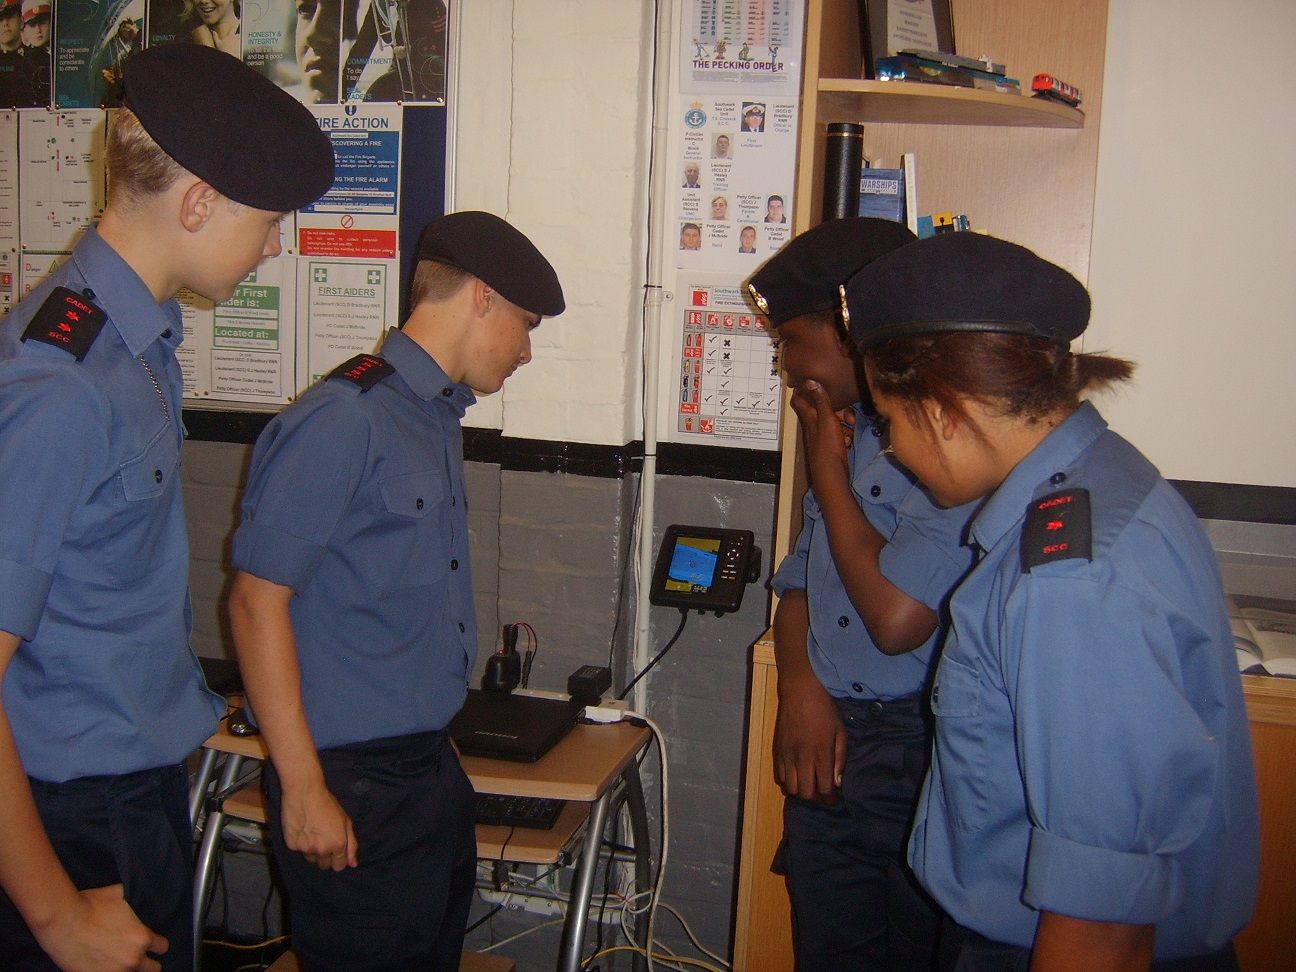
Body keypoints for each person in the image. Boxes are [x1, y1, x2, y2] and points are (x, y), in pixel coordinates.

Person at [0, 43, 333, 972]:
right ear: (197, 205)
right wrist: (60, 917)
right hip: (65, 825)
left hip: (122, 797)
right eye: (269, 223)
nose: (274, 247)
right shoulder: (62, 383)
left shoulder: (132, 347)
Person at [844, 232, 1261, 970]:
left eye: (888, 419)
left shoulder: (1067, 580)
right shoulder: (1108, 482)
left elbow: (1102, 920)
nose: (892, 450)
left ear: (942, 407)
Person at [227, 211, 565, 971]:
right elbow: (256, 602)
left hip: (425, 771)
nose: (528, 350)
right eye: (526, 324)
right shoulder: (344, 419)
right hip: (350, 782)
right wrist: (305, 788)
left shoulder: (431, 417)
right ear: (481, 297)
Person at [751, 218, 976, 970]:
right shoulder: (846, 429)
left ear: (848, 333)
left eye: (789, 339)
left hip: (918, 747)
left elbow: (896, 618)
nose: (783, 363)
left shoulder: (940, 445)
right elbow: (800, 581)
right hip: (838, 740)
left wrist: (828, 470)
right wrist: (801, 690)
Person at [96, 18, 142, 107]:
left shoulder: (141, 39)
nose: (126, 30)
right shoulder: (125, 54)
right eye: (124, 30)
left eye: (126, 27)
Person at [16, 0, 48, 108]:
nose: (38, 30)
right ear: (24, 30)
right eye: (32, 24)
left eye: (42, 22)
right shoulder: (25, 62)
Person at [0, 0, 23, 108]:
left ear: (21, 21)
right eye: (0, 19)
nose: (5, 23)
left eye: (9, 16)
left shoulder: (41, 59)